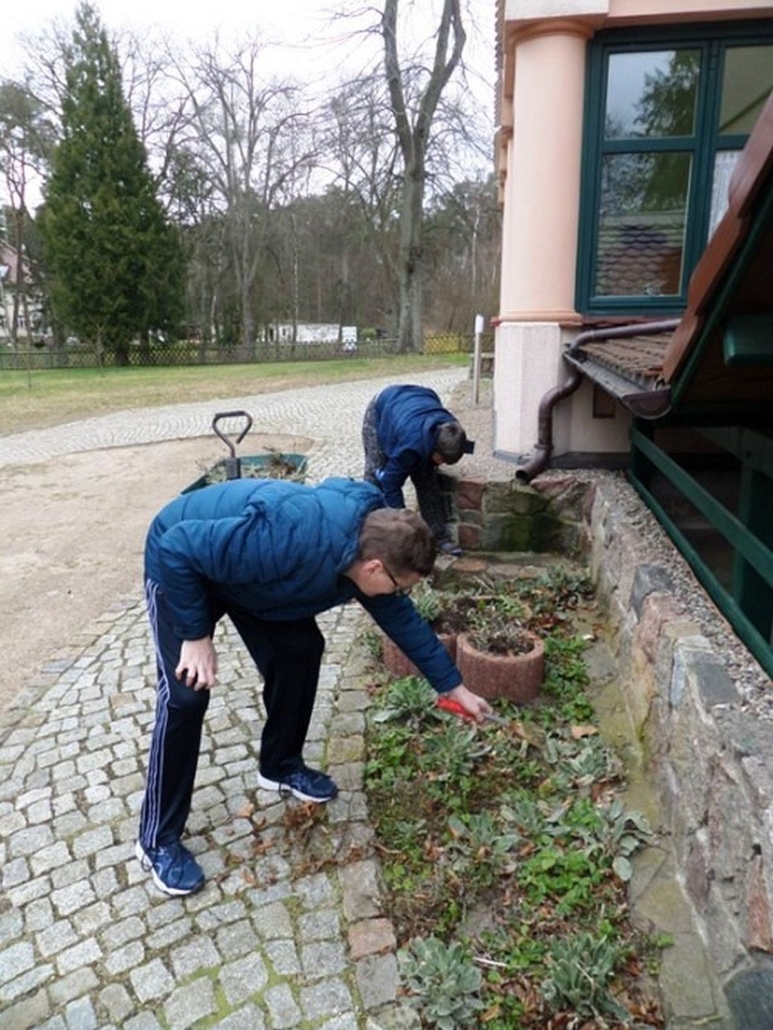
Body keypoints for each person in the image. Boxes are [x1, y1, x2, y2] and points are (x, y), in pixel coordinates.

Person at [136, 475, 491, 896]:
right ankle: (156, 840)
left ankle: (280, 766)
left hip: (250, 580)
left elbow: (402, 620)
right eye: (399, 586)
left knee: (300, 651)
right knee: (185, 696)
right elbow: (177, 547)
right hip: (182, 563)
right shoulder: (290, 536)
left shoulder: (369, 544)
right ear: (374, 568)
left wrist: (452, 687)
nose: (399, 595)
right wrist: (196, 636)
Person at [362, 384, 474, 556]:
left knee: (427, 481)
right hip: (383, 406)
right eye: (440, 459)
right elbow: (391, 485)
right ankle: (372, 537)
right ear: (434, 447)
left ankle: (439, 537)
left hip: (418, 401)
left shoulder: (452, 430)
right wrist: (404, 527)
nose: (441, 464)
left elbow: (428, 484)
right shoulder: (411, 446)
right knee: (375, 477)